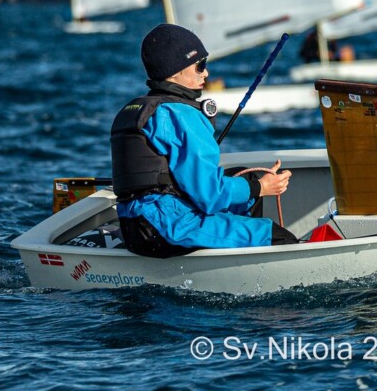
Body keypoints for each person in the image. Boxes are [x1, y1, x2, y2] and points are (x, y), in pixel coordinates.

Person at [111, 23, 297, 257]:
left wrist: (252, 185)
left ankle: (235, 244)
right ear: (175, 71)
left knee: (245, 176)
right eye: (200, 65)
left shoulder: (138, 110)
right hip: (168, 227)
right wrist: (262, 187)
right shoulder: (180, 115)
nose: (206, 73)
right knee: (277, 237)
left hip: (135, 225)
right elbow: (209, 195)